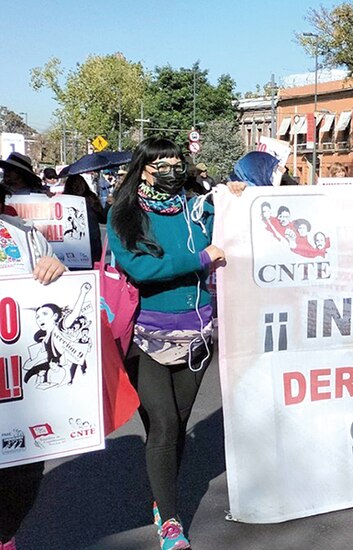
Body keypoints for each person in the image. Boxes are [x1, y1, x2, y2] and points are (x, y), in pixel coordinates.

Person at [106, 138, 228, 550]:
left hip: (197, 335)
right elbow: (140, 268)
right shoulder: (124, 214)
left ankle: (162, 498)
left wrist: (238, 192)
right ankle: (171, 520)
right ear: (143, 169)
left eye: (178, 161)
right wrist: (201, 260)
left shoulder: (199, 208)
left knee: (177, 426)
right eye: (162, 163)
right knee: (164, 425)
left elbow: (240, 221)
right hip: (145, 337)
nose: (172, 168)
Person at [0, 172, 68, 550]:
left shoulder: (23, 234)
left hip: (19, 383)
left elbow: (63, 294)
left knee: (24, 476)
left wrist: (56, 272)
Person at [61, 174, 106, 263]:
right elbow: (103, 219)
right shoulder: (91, 199)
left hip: (71, 245)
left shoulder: (63, 201)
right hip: (93, 243)